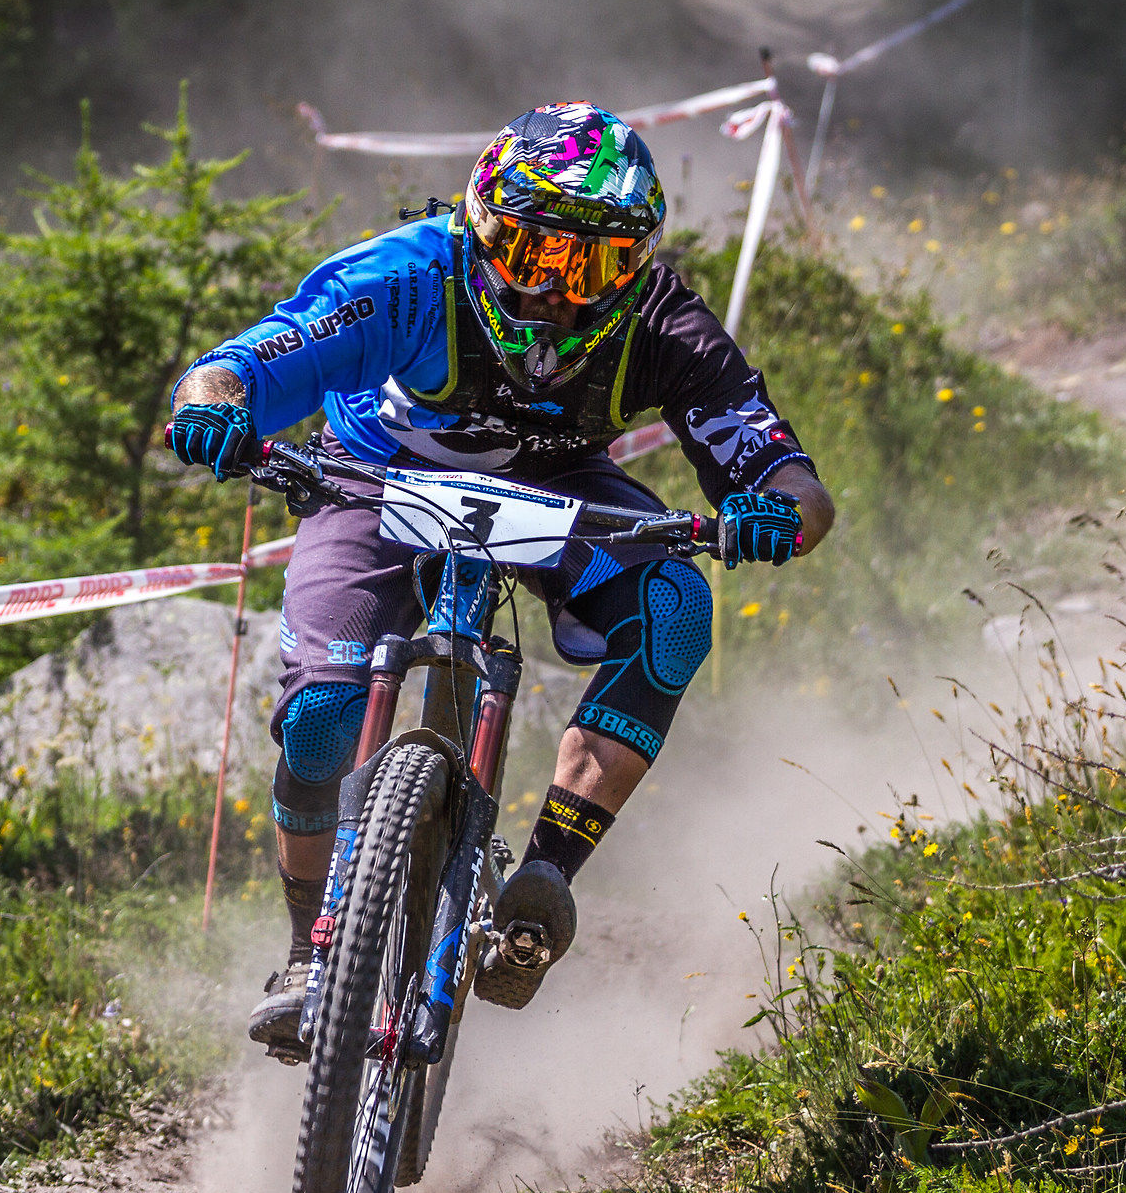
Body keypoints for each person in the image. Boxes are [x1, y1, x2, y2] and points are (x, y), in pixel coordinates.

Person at [165, 101, 836, 1063]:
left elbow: (789, 477)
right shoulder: (407, 277)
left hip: (554, 496)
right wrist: (215, 408)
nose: (558, 293)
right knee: (319, 723)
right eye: (534, 252)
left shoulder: (663, 326)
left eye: (594, 265)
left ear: (636, 265)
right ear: (482, 226)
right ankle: (312, 950)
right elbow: (249, 361)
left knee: (675, 606)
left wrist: (778, 511)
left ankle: (546, 879)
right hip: (376, 480)